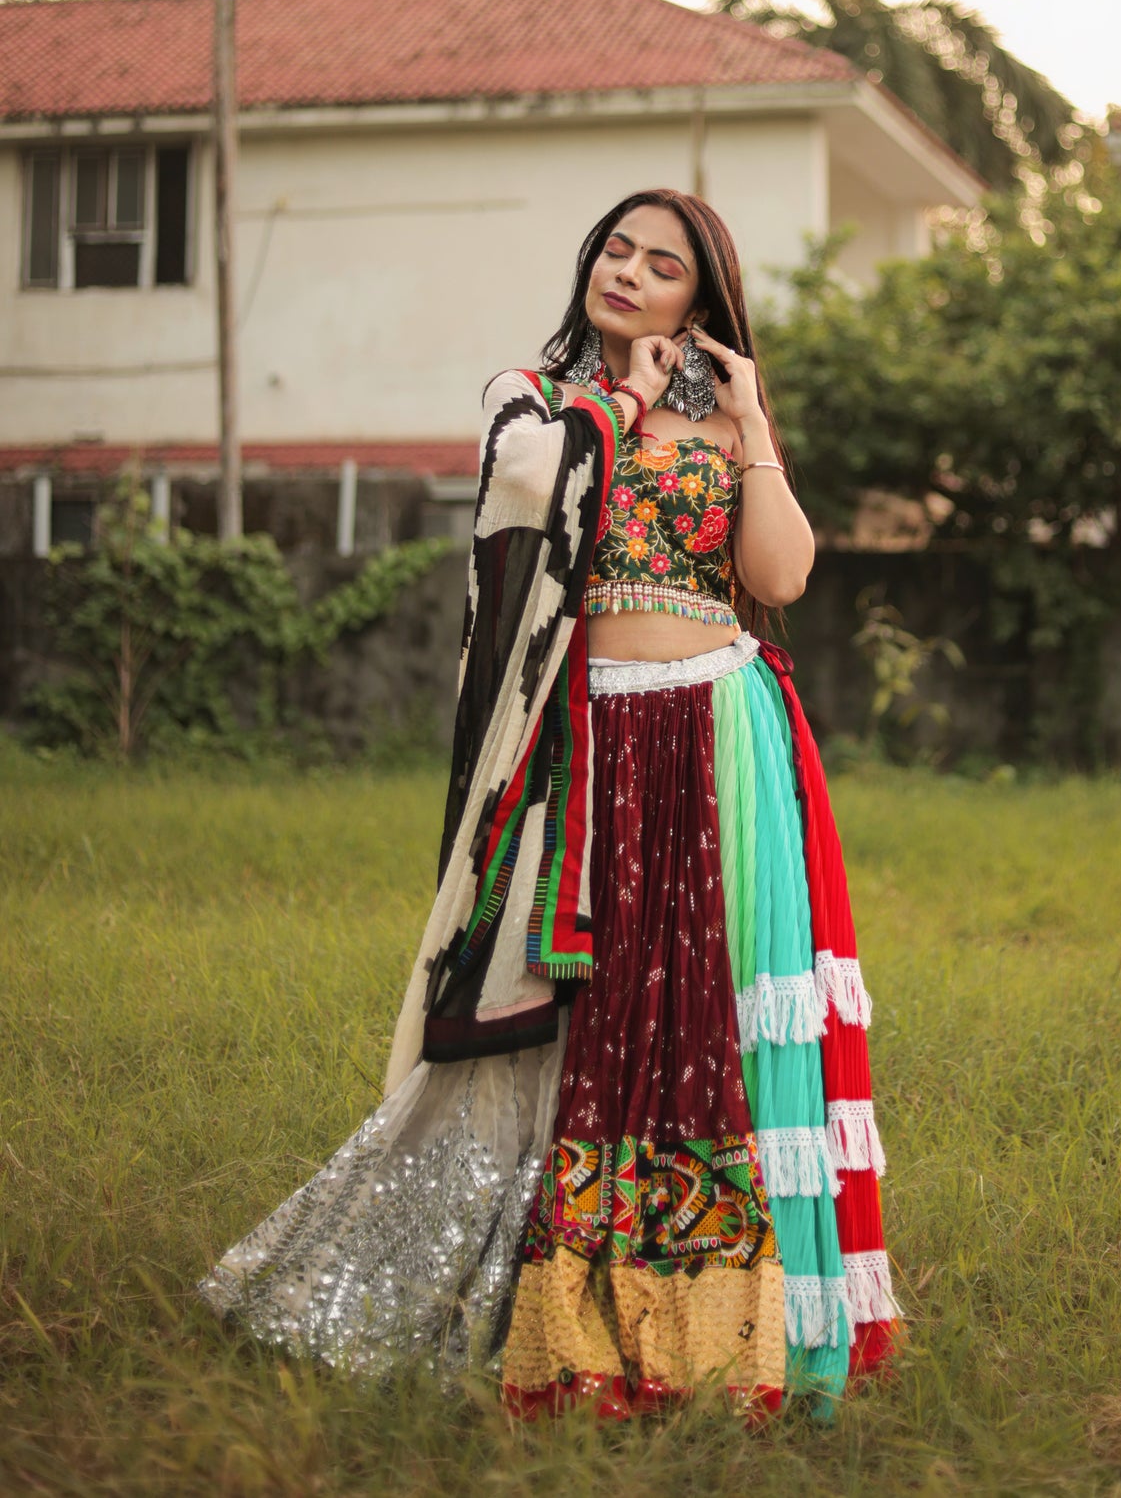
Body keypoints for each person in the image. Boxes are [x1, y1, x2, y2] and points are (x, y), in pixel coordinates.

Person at [198, 189, 899, 1417]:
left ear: (702, 295)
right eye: (615, 249)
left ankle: (724, 1323)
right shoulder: (533, 400)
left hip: (718, 731)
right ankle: (537, 1300)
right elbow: (535, 479)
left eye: (662, 263)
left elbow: (777, 574)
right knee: (581, 1014)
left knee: (715, 1017)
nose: (629, 272)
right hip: (587, 743)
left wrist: (748, 417)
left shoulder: (719, 423)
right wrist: (627, 393)